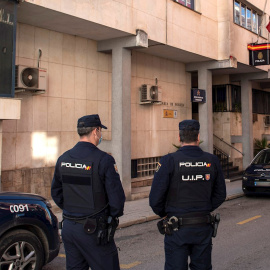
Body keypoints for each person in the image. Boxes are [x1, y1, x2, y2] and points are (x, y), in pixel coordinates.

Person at [149, 119, 226, 270]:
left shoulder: (169, 161)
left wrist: (165, 215)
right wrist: (205, 208)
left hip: (176, 228)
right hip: (202, 227)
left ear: (179, 137)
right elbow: (220, 194)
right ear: (198, 137)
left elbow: (155, 199)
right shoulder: (212, 160)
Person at [51, 114, 125, 270]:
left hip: (69, 228)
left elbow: (56, 193)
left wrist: (74, 209)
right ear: (96, 131)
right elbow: (117, 201)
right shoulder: (104, 160)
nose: (100, 135)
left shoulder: (63, 159)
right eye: (100, 131)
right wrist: (108, 217)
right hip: (94, 230)